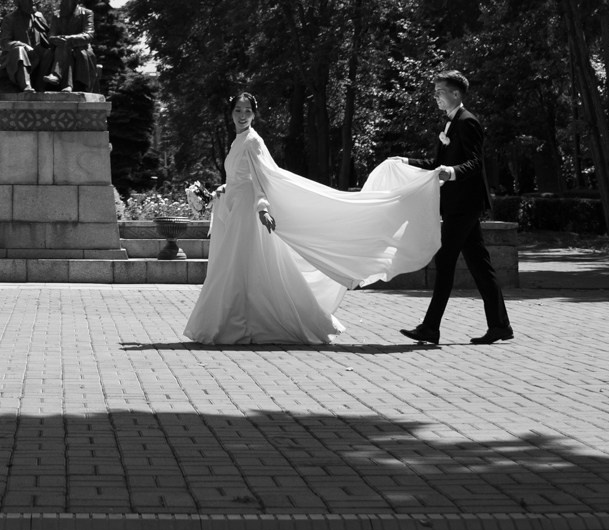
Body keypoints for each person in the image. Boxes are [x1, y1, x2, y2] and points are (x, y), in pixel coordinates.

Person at [183, 91, 441, 345]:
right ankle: (235, 321)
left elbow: (263, 179)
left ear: (254, 114)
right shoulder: (237, 141)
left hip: (249, 214)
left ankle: (238, 323)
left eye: (247, 111)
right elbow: (241, 178)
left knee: (239, 268)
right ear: (230, 113)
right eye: (238, 110)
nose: (242, 115)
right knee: (237, 268)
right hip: (237, 210)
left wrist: (262, 208)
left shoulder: (252, 141)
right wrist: (222, 189)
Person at [401, 73, 514, 347]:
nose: (436, 96)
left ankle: (430, 328)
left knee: (445, 262)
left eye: (440, 91)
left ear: (455, 94)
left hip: (464, 205)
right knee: (479, 265)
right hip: (457, 205)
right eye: (436, 91)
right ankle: (500, 325)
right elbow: (436, 162)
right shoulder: (449, 124)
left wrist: (451, 172)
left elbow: (475, 163)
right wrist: (405, 161)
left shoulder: (468, 122)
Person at [45, 0, 95, 92]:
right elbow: (51, 35)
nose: (62, 1)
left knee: (66, 45)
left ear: (75, 0)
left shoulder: (86, 13)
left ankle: (59, 77)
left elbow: (89, 34)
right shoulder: (56, 15)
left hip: (81, 48)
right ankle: (64, 83)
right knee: (62, 46)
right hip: (60, 48)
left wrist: (68, 39)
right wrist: (55, 39)